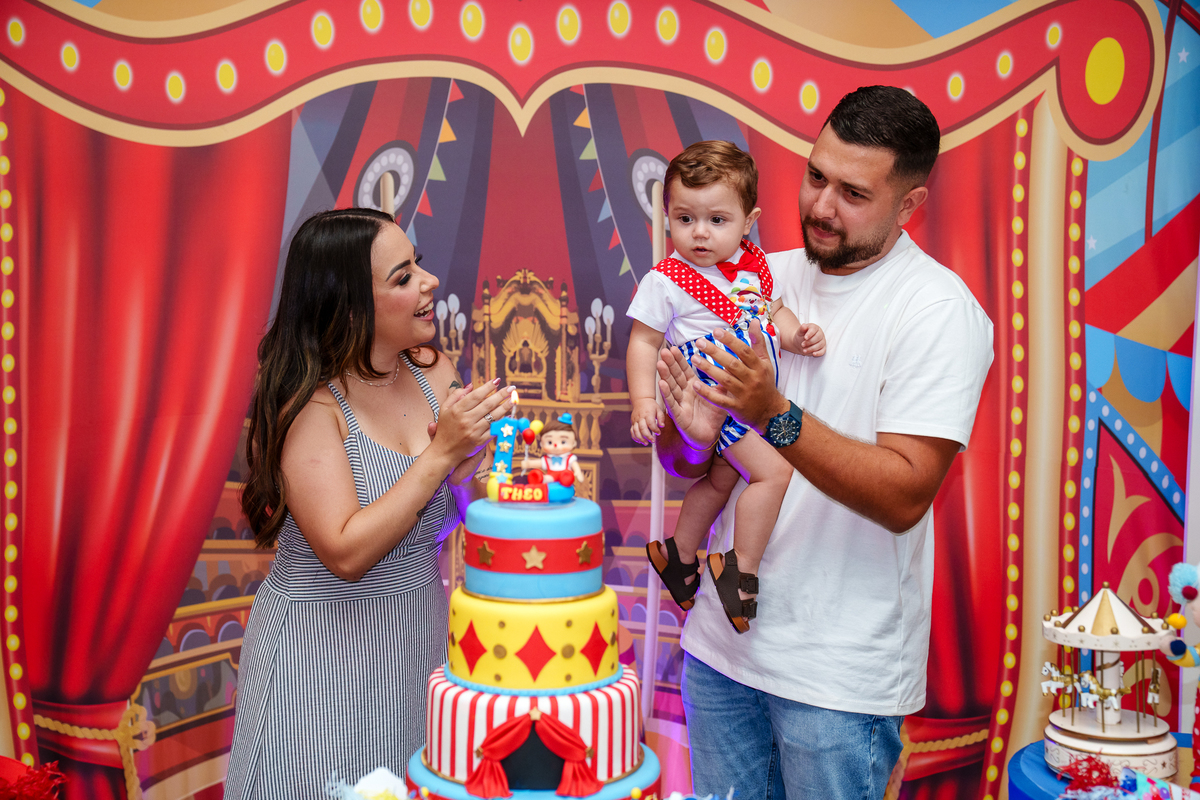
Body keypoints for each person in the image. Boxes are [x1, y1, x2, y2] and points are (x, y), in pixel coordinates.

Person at [654, 87, 994, 798]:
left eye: (853, 193)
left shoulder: (937, 311)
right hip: (719, 652)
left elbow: (904, 494)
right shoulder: (752, 277)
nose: (821, 206)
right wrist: (690, 431)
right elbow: (689, 462)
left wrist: (773, 412)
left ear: (909, 204)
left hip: (837, 685)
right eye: (816, 176)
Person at [225, 208, 513, 799]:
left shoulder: (433, 372)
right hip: (318, 657)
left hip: (417, 635)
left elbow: (451, 508)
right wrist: (440, 456)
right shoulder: (311, 405)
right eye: (403, 277)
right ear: (351, 306)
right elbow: (345, 552)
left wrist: (471, 471)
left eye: (418, 265)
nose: (429, 282)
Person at [626, 141, 826, 632]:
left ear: (748, 220)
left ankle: (679, 553)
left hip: (746, 392)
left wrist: (795, 337)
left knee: (721, 479)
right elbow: (643, 343)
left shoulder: (757, 265)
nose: (699, 232)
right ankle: (739, 566)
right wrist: (645, 401)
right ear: (667, 217)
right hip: (716, 394)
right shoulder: (665, 280)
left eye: (717, 220)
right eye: (685, 218)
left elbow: (773, 311)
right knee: (773, 474)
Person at [521, 413, 586, 486]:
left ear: (573, 443)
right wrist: (528, 464)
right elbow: (540, 463)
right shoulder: (548, 459)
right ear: (542, 444)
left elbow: (575, 465)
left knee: (567, 476)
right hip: (551, 477)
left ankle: (566, 480)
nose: (555, 445)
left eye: (563, 442)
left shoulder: (569, 458)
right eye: (549, 442)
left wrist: (577, 472)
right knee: (545, 478)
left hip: (565, 476)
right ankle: (540, 478)